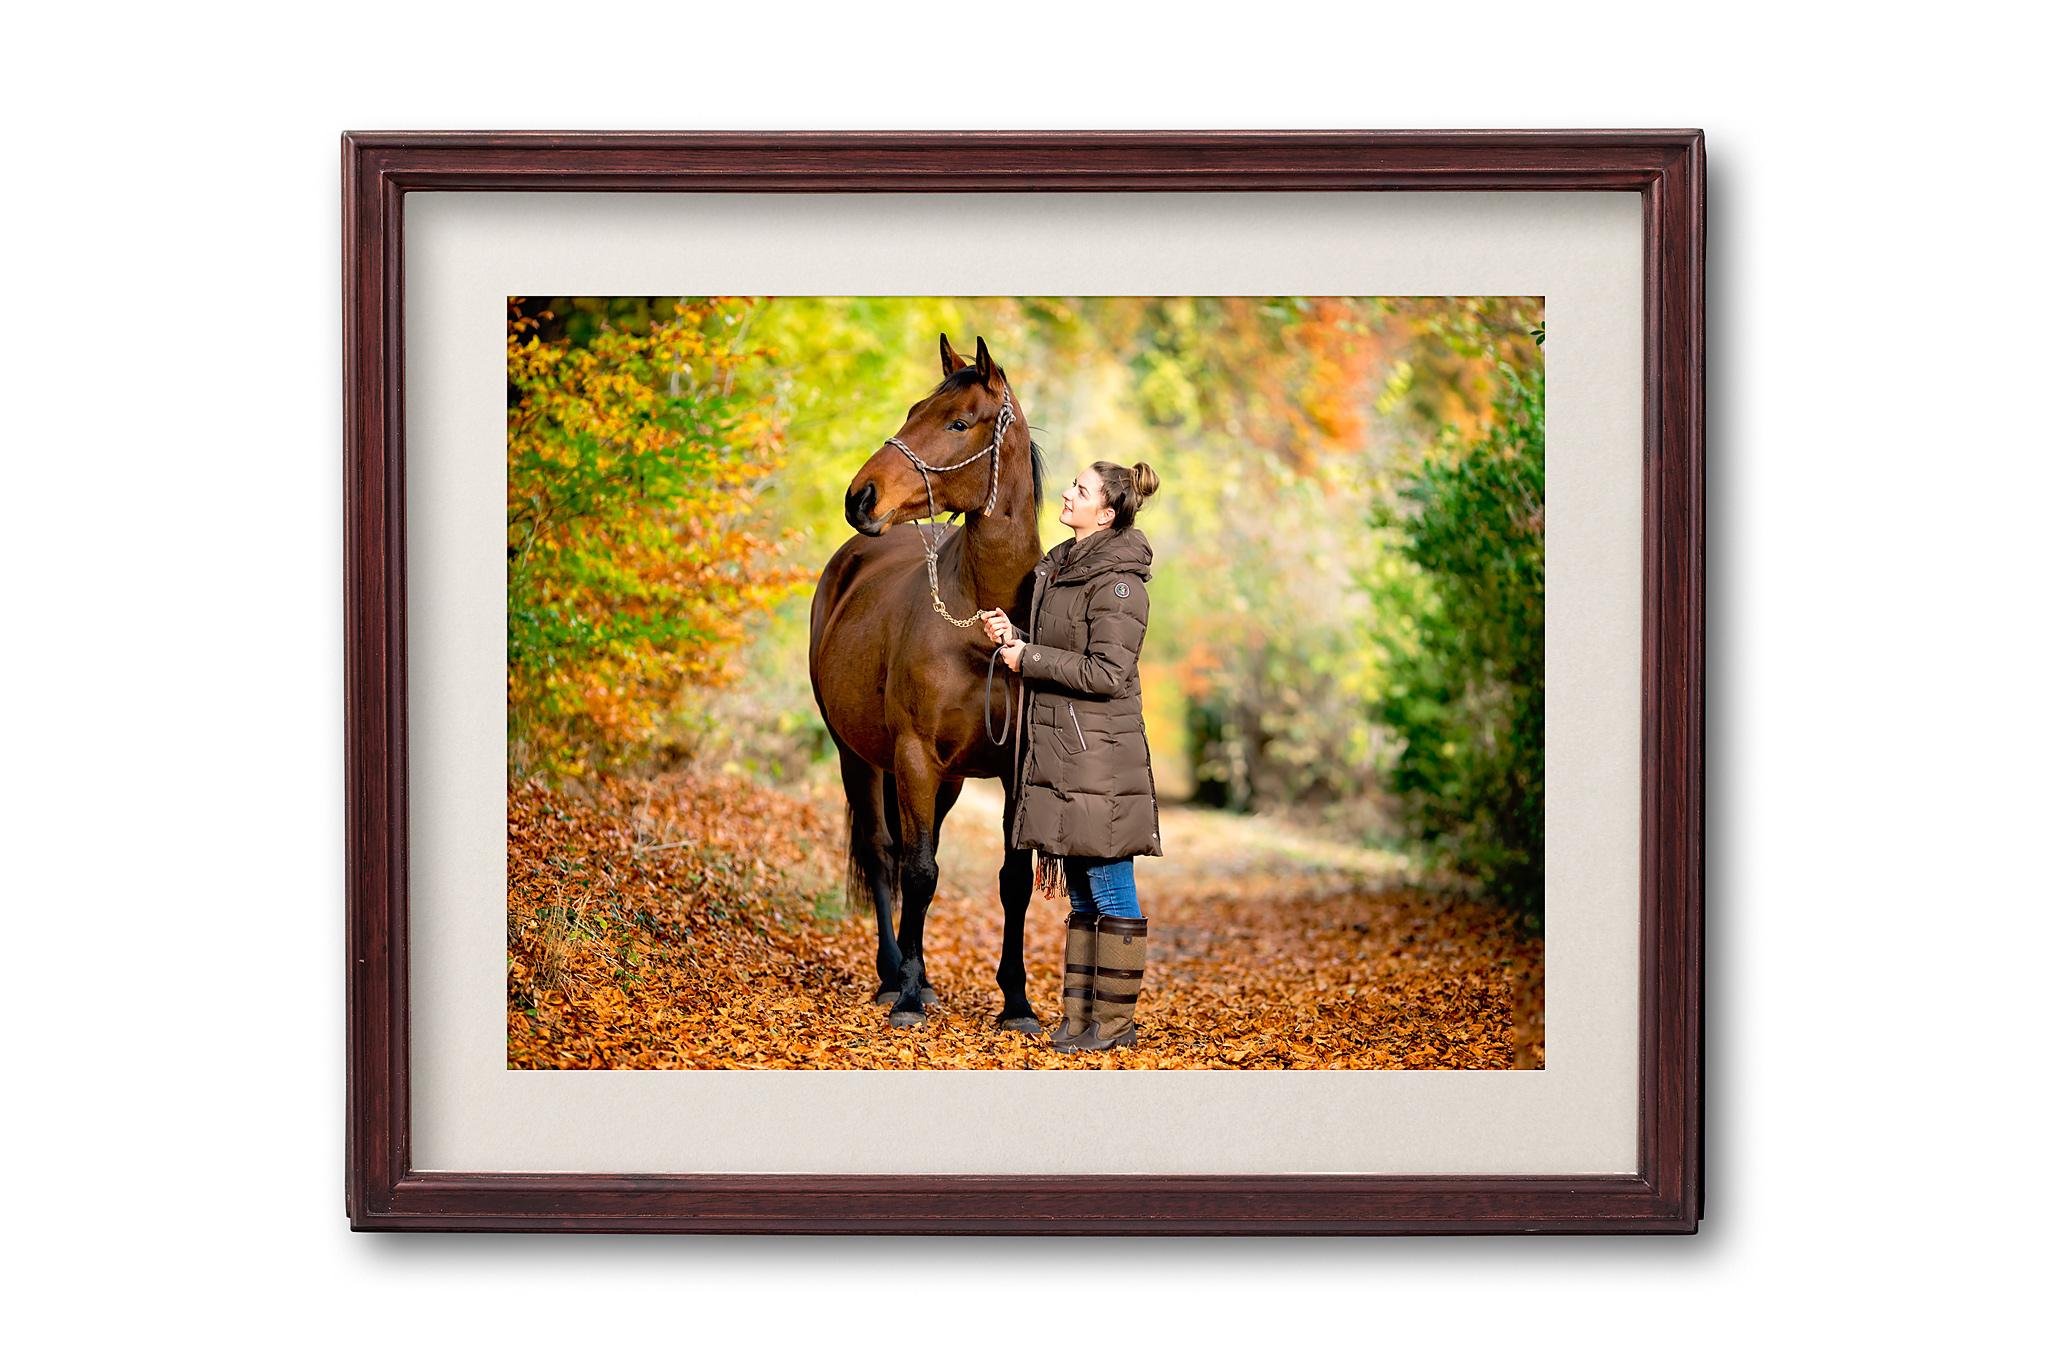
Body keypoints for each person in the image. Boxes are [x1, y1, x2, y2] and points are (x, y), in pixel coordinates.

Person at [980, 460, 1164, 1053]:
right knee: (1083, 893)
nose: (1066, 492)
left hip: (1098, 759)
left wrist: (1027, 659)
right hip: (1065, 752)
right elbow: (1054, 645)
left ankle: (1115, 1024)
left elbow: (1107, 673)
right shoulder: (1061, 568)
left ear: (1107, 513)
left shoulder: (1120, 585)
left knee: (1109, 886)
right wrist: (1013, 636)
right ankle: (1080, 1019)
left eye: (1080, 491)